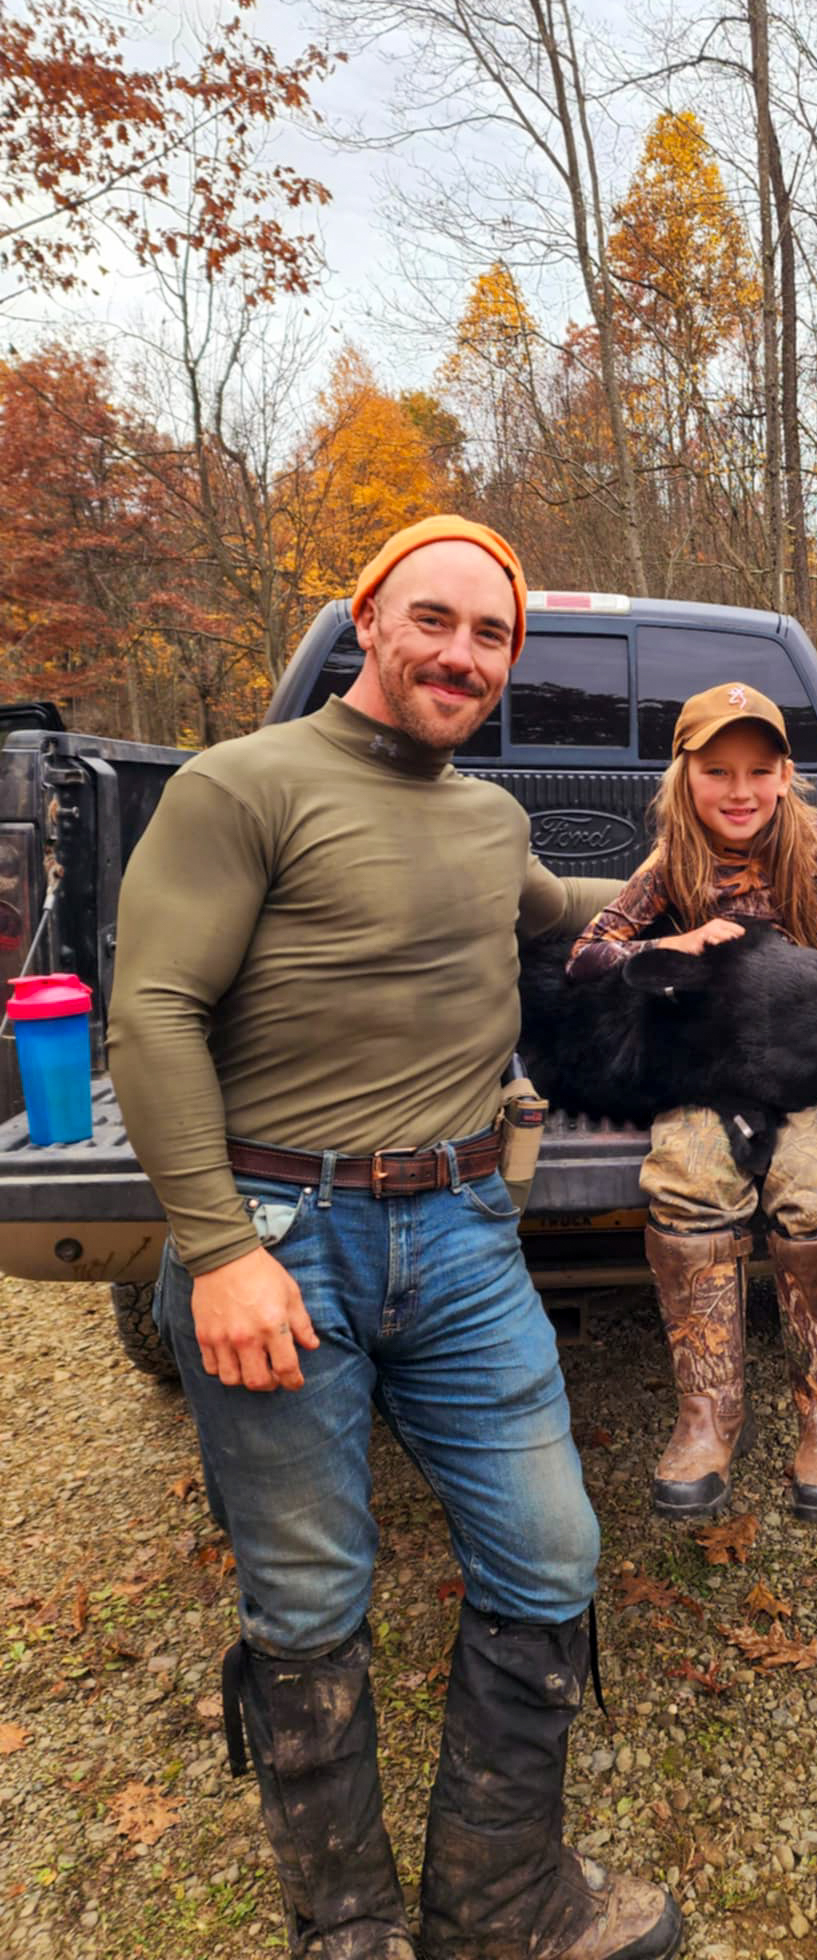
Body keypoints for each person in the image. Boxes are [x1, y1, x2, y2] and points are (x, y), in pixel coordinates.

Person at [107, 515, 682, 1960]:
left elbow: (575, 924)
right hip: (279, 1238)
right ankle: (347, 1928)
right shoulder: (244, 787)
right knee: (307, 1594)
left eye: (491, 636)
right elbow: (154, 1013)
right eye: (435, 620)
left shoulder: (487, 822)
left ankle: (503, 1902)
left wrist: (707, 918)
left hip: (467, 1235)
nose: (462, 655)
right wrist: (220, 1250)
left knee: (550, 1553)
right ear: (369, 620)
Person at [568, 682, 817, 1527]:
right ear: (686, 776)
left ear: (787, 775)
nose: (740, 790)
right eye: (718, 771)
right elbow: (586, 958)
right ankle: (710, 1415)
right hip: (711, 1071)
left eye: (759, 769)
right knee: (687, 1178)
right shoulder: (671, 862)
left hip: (816, 1067)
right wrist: (676, 943)